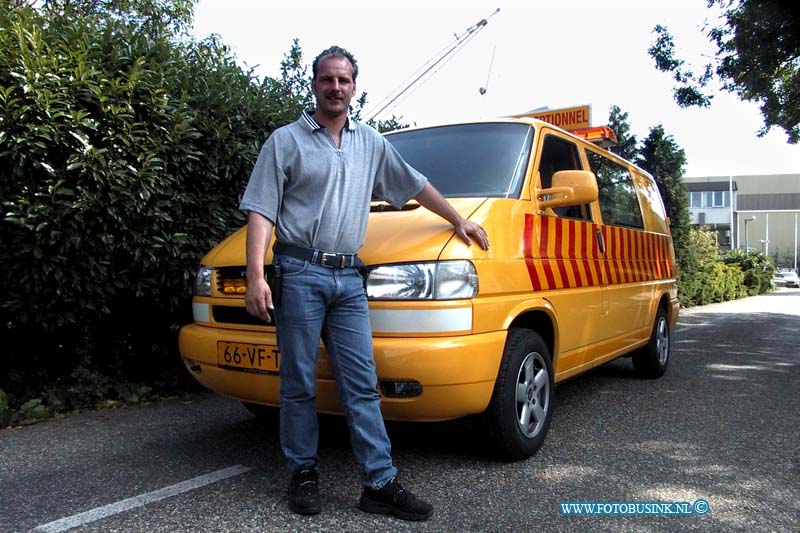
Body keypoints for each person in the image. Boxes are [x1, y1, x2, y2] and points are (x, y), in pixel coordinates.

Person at [240, 45, 489, 522]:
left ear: (355, 86)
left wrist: (458, 219)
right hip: (298, 272)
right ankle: (303, 474)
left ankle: (378, 483)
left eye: (344, 80)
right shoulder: (285, 141)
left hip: (349, 277)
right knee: (298, 384)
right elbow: (261, 209)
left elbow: (414, 183)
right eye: (327, 79)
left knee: (362, 384)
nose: (336, 87)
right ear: (313, 84)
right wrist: (256, 275)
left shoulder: (370, 142)